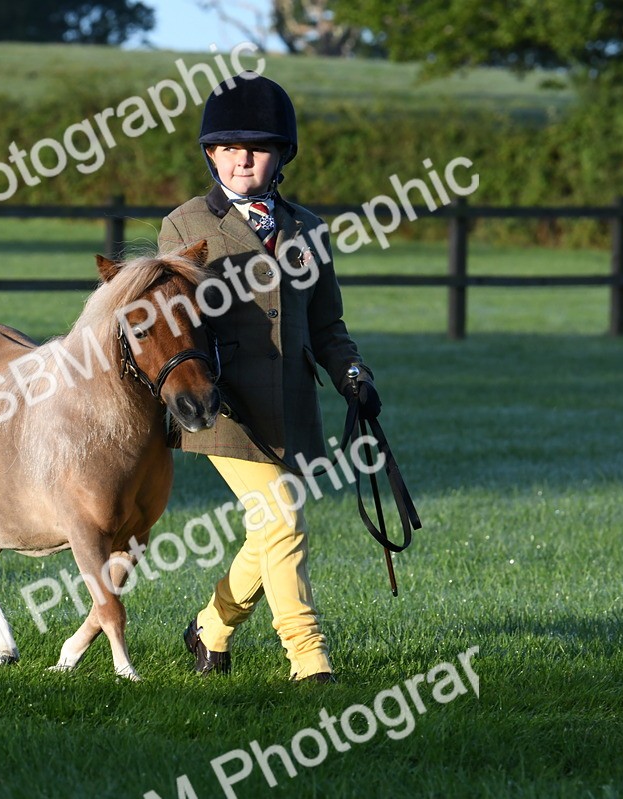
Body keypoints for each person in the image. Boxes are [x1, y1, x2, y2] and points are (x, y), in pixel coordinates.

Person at [157, 72, 381, 683]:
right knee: (282, 519)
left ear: (282, 154)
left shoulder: (309, 229)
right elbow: (176, 324)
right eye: (229, 148)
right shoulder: (183, 226)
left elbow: (328, 325)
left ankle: (210, 628)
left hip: (290, 404)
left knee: (268, 529)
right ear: (211, 154)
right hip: (224, 406)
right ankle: (308, 659)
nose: (242, 159)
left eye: (256, 147)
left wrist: (353, 374)